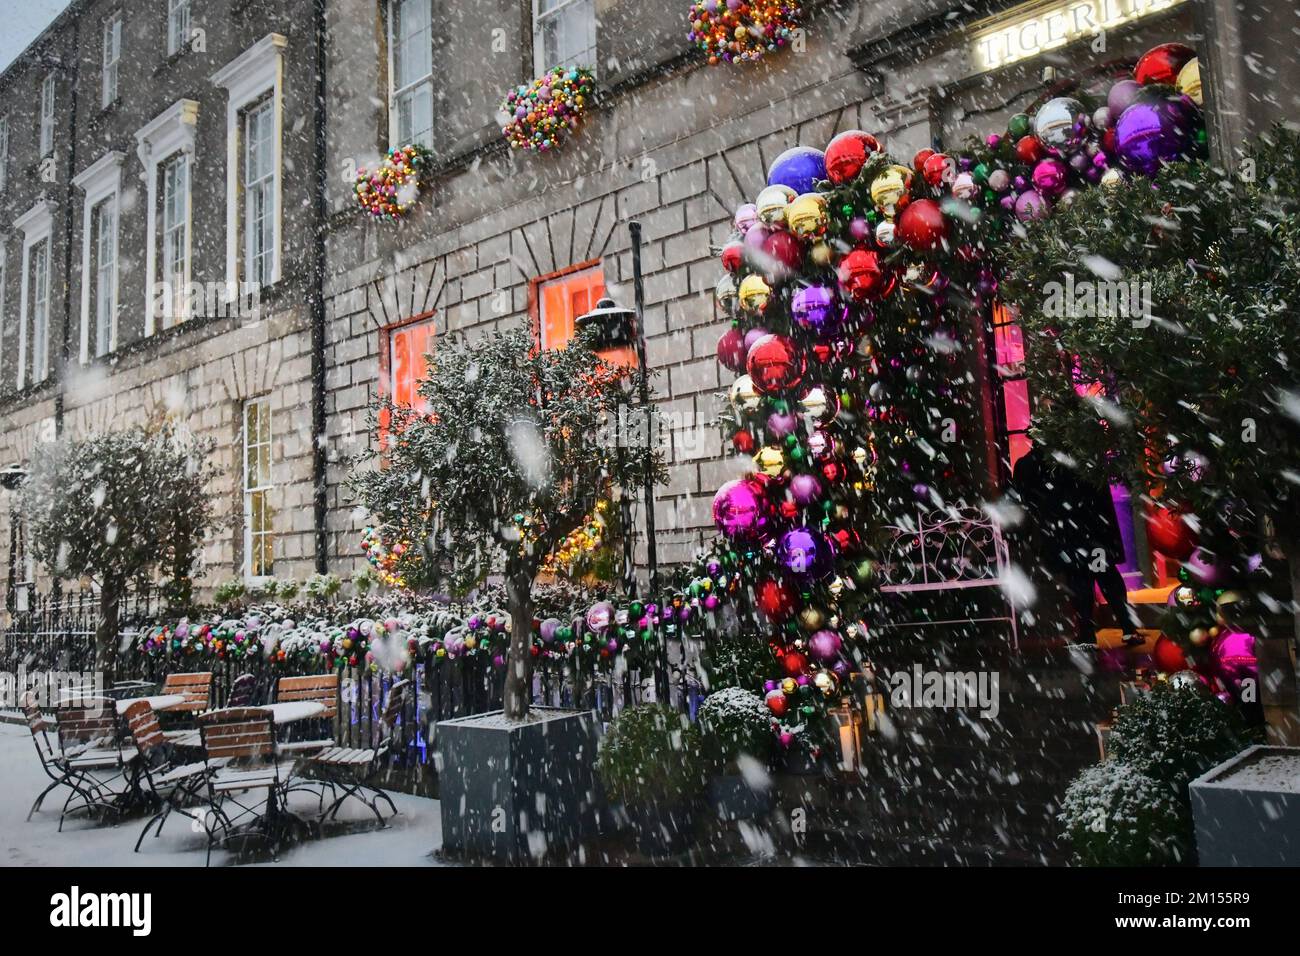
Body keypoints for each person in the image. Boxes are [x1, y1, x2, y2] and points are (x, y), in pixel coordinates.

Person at [1012, 444, 1141, 645]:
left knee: (1081, 581)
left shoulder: (1031, 465)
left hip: (1067, 534)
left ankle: (1090, 633)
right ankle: (1126, 627)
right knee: (1105, 578)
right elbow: (1095, 493)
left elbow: (1030, 500)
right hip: (1090, 530)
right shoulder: (1077, 458)